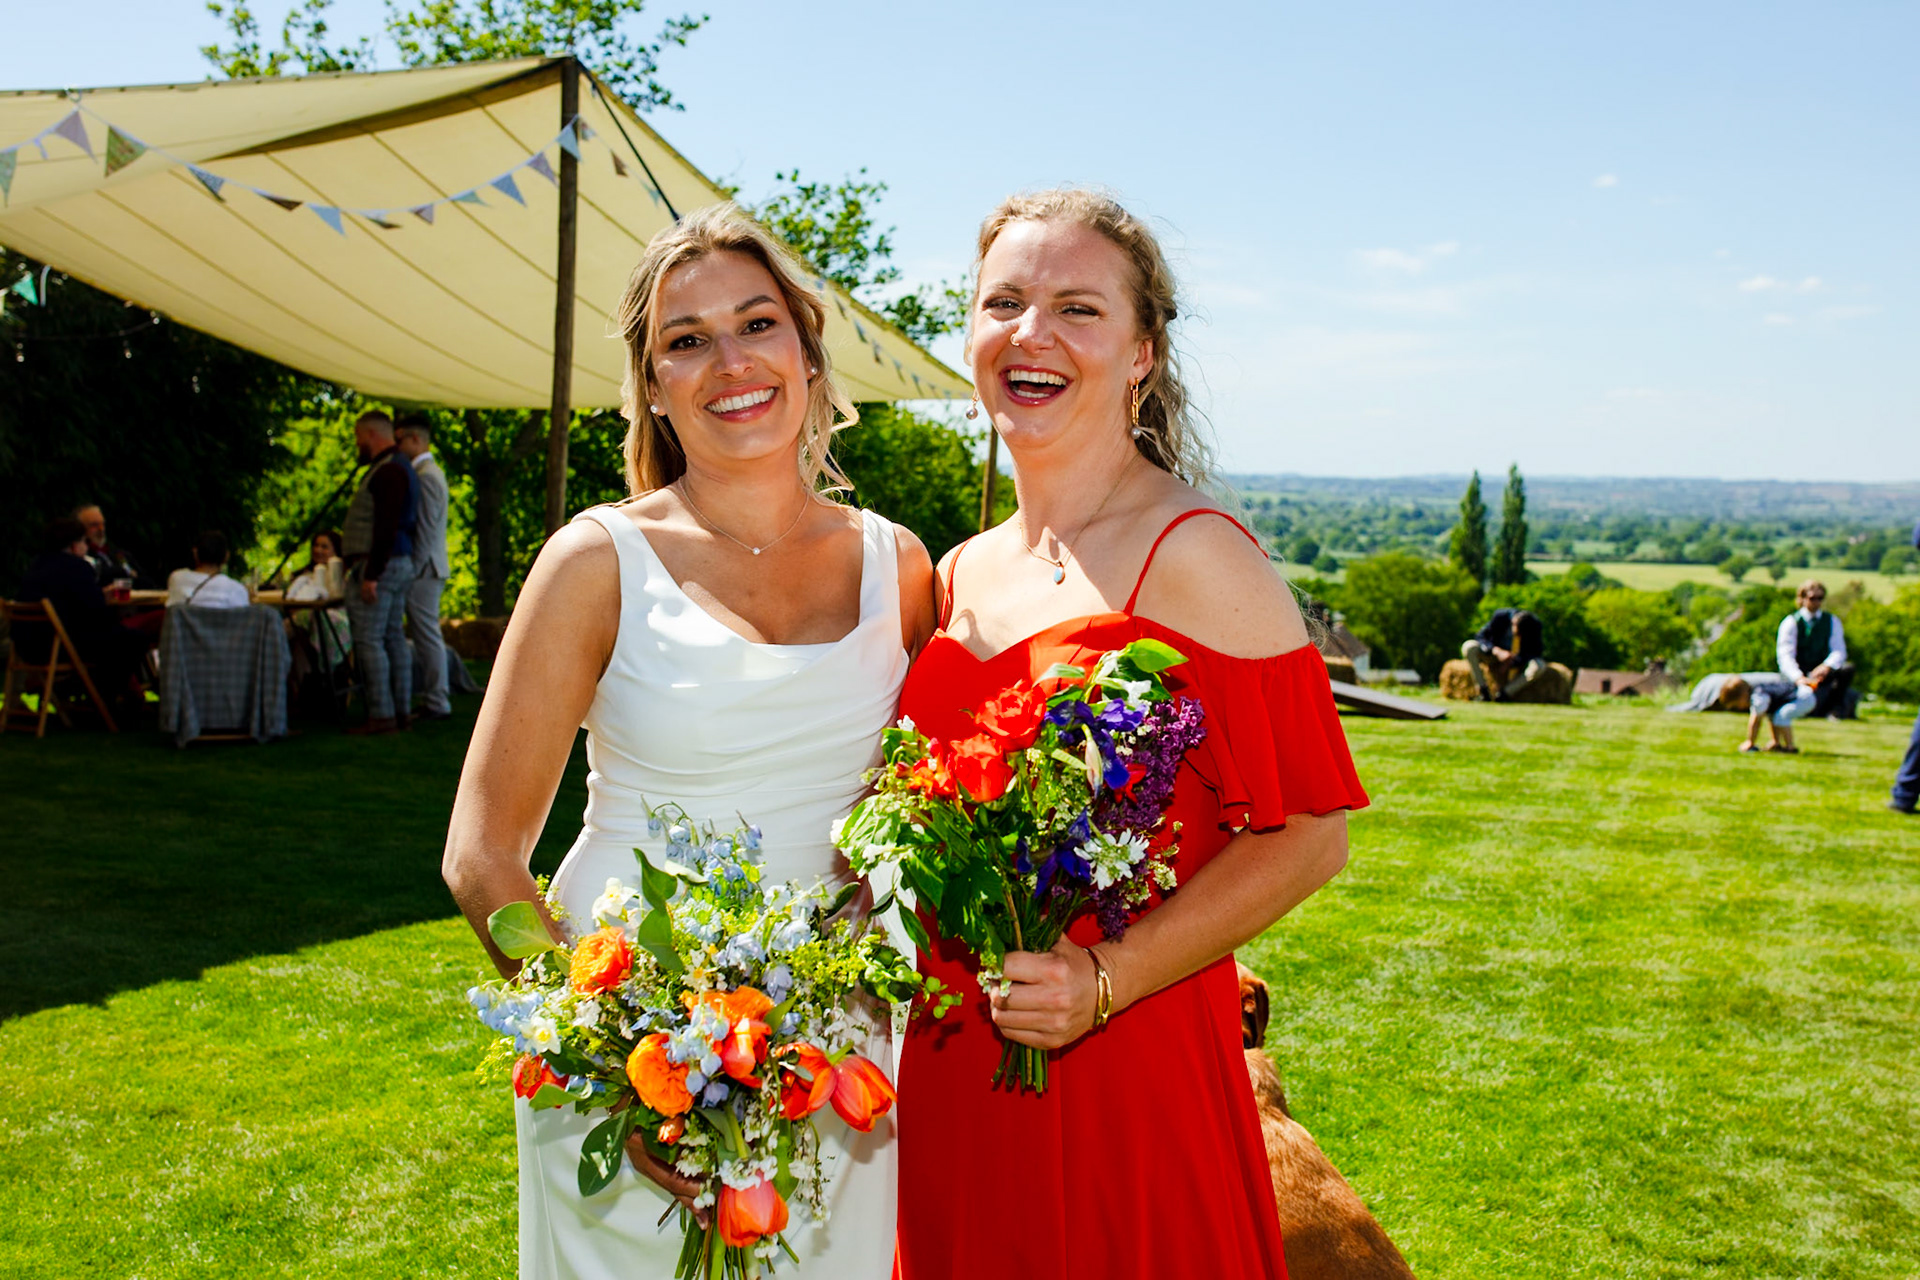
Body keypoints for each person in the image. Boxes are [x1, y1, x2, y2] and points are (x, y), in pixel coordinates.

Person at [440, 204, 933, 1280]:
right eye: (687, 338)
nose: (730, 361)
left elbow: (913, 817)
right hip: (628, 1046)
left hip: (836, 1054)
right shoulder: (594, 562)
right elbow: (481, 854)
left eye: (758, 323)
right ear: (653, 382)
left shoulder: (899, 569)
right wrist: (617, 1059)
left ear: (806, 349)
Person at [894, 190, 1365, 1280]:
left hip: (1123, 1067)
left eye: (1077, 308)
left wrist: (1104, 977)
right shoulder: (959, 570)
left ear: (1144, 352)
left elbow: (1311, 834)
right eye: (1003, 300)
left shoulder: (1198, 556)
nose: (1032, 334)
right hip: (953, 1065)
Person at [340, 409, 419, 734]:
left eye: (359, 436)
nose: (357, 443)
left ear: (370, 434)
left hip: (381, 565)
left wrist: (371, 573)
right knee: (392, 637)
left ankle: (382, 714)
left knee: (370, 640)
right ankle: (401, 709)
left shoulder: (388, 472)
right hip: (399, 562)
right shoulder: (402, 467)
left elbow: (385, 526)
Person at [15, 516, 150, 691]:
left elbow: (67, 600)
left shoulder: (36, 565)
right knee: (134, 640)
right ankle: (101, 697)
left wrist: (97, 596)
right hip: (61, 646)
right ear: (73, 545)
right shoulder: (77, 567)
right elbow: (96, 614)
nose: (86, 547)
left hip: (28, 648)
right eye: (84, 542)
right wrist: (104, 601)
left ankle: (90, 696)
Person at [395, 414, 452, 721]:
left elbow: (427, 529)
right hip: (427, 566)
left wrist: (413, 569)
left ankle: (437, 700)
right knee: (426, 634)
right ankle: (435, 697)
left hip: (425, 568)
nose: (397, 445)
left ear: (415, 440)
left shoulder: (427, 474)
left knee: (427, 635)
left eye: (401, 439)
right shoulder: (429, 472)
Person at [1778, 579, 1851, 717]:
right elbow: (1785, 656)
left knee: (1847, 669)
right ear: (1802, 598)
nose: (1817, 602)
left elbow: (1839, 650)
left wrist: (1826, 666)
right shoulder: (1791, 622)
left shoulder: (1832, 621)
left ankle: (1834, 710)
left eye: (1820, 598)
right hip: (1799, 670)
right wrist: (1798, 677)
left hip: (1822, 671)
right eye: (1812, 598)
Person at [285, 530, 350, 670]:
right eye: (316, 545)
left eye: (324, 547)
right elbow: (290, 604)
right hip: (301, 626)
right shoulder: (302, 577)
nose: (318, 550)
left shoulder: (345, 578)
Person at [1462, 607, 1545, 701]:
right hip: (1493, 655)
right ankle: (1483, 691)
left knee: (1539, 665)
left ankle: (1504, 694)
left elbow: (1536, 652)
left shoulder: (1535, 625)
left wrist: (1512, 661)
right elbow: (1480, 637)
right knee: (1469, 646)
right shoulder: (1501, 616)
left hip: (1518, 662)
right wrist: (1495, 650)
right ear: (1513, 623)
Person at [1718, 675, 1807, 753]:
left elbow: (1756, 721)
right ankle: (1776, 743)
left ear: (1742, 695)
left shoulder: (1758, 698)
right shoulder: (1758, 693)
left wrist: (1750, 742)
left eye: (1736, 704)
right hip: (1801, 695)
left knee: (1781, 716)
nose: (1739, 707)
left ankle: (1790, 747)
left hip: (1802, 697)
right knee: (1774, 716)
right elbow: (1770, 717)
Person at [165, 530, 252, 609]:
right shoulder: (236, 589)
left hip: (185, 627)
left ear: (195, 553)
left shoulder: (177, 579)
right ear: (226, 557)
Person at [72, 502, 147, 589]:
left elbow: (146, 582)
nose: (101, 529)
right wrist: (126, 573)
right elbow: (99, 578)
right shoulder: (80, 556)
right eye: (94, 525)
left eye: (102, 524)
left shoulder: (119, 554)